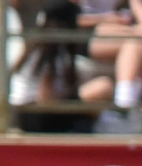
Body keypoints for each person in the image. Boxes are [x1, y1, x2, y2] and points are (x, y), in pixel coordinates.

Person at [11, 0, 102, 134]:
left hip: (28, 114)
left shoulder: (36, 46)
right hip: (34, 116)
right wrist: (74, 98)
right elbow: (45, 101)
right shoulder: (48, 50)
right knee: (102, 88)